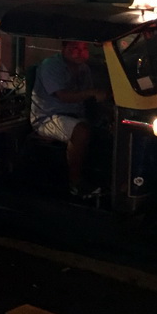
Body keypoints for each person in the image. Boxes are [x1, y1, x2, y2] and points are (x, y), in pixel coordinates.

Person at [30, 41, 110, 199]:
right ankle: (75, 184)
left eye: (84, 49)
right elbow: (63, 96)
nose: (81, 53)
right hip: (47, 116)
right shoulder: (51, 65)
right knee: (81, 131)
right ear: (64, 49)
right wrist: (92, 92)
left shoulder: (84, 69)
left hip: (74, 115)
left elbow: (89, 98)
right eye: (75, 49)